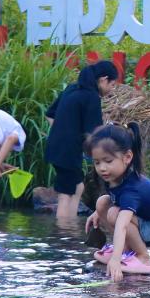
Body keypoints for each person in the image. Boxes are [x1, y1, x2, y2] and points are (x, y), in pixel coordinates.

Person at [85, 122, 150, 282]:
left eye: (108, 161)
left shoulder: (133, 189)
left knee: (114, 214)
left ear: (127, 157)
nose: (102, 168)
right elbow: (113, 200)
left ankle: (143, 257)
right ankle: (126, 251)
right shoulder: (115, 176)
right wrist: (98, 212)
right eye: (97, 162)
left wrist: (115, 260)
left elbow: (122, 224)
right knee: (102, 202)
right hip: (143, 221)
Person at [44, 60, 118, 217]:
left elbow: (50, 114)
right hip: (68, 152)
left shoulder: (72, 89)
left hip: (56, 147)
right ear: (103, 80)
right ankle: (63, 230)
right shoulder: (91, 97)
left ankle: (70, 224)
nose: (112, 89)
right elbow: (94, 133)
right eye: (112, 84)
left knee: (78, 187)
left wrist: (61, 132)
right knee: (66, 194)